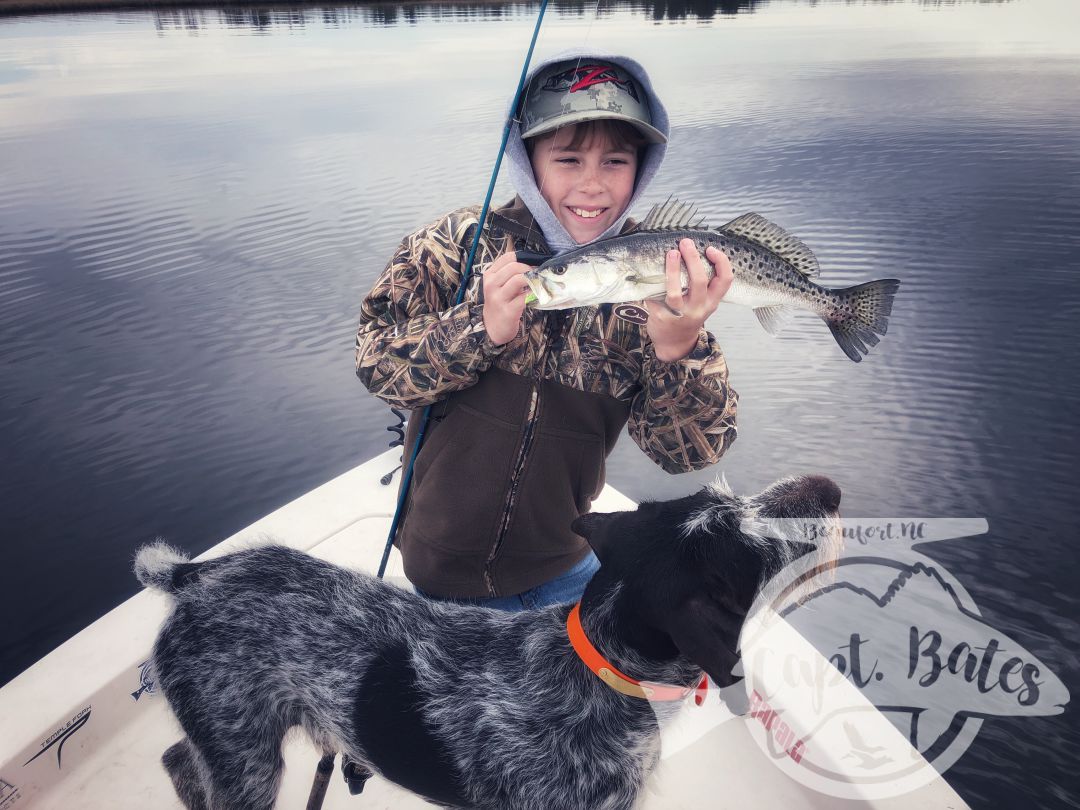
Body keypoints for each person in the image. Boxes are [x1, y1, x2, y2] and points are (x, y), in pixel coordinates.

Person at [354, 50, 737, 610]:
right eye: (567, 158)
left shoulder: (661, 280)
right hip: (439, 565)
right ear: (526, 158)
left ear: (643, 167)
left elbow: (689, 455)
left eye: (615, 161)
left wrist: (678, 352)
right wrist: (476, 329)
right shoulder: (453, 246)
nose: (592, 186)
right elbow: (378, 368)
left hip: (565, 566)